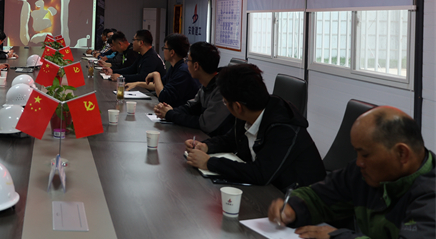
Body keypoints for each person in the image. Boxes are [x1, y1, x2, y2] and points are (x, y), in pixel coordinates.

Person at [267, 107, 434, 239]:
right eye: (357, 153)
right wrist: (293, 208)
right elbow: (319, 197)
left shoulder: (430, 196)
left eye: (365, 155)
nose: (359, 162)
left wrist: (338, 237)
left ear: (402, 154)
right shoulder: (364, 173)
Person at [185, 63, 326, 190]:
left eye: (225, 102)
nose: (225, 105)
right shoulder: (248, 112)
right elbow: (231, 140)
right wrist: (206, 146)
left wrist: (209, 163)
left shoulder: (283, 128)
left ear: (238, 107)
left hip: (298, 198)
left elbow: (260, 173)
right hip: (269, 189)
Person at [153, 42, 232, 135]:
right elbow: (191, 107)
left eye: (188, 60)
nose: (186, 63)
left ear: (196, 66)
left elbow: (205, 124)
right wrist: (168, 111)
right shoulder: (206, 85)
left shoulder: (222, 90)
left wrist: (170, 114)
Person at [125, 33, 200, 107]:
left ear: (172, 52)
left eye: (165, 48)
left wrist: (156, 75)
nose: (163, 51)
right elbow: (159, 85)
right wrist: (137, 84)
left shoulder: (182, 72)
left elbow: (163, 97)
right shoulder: (175, 67)